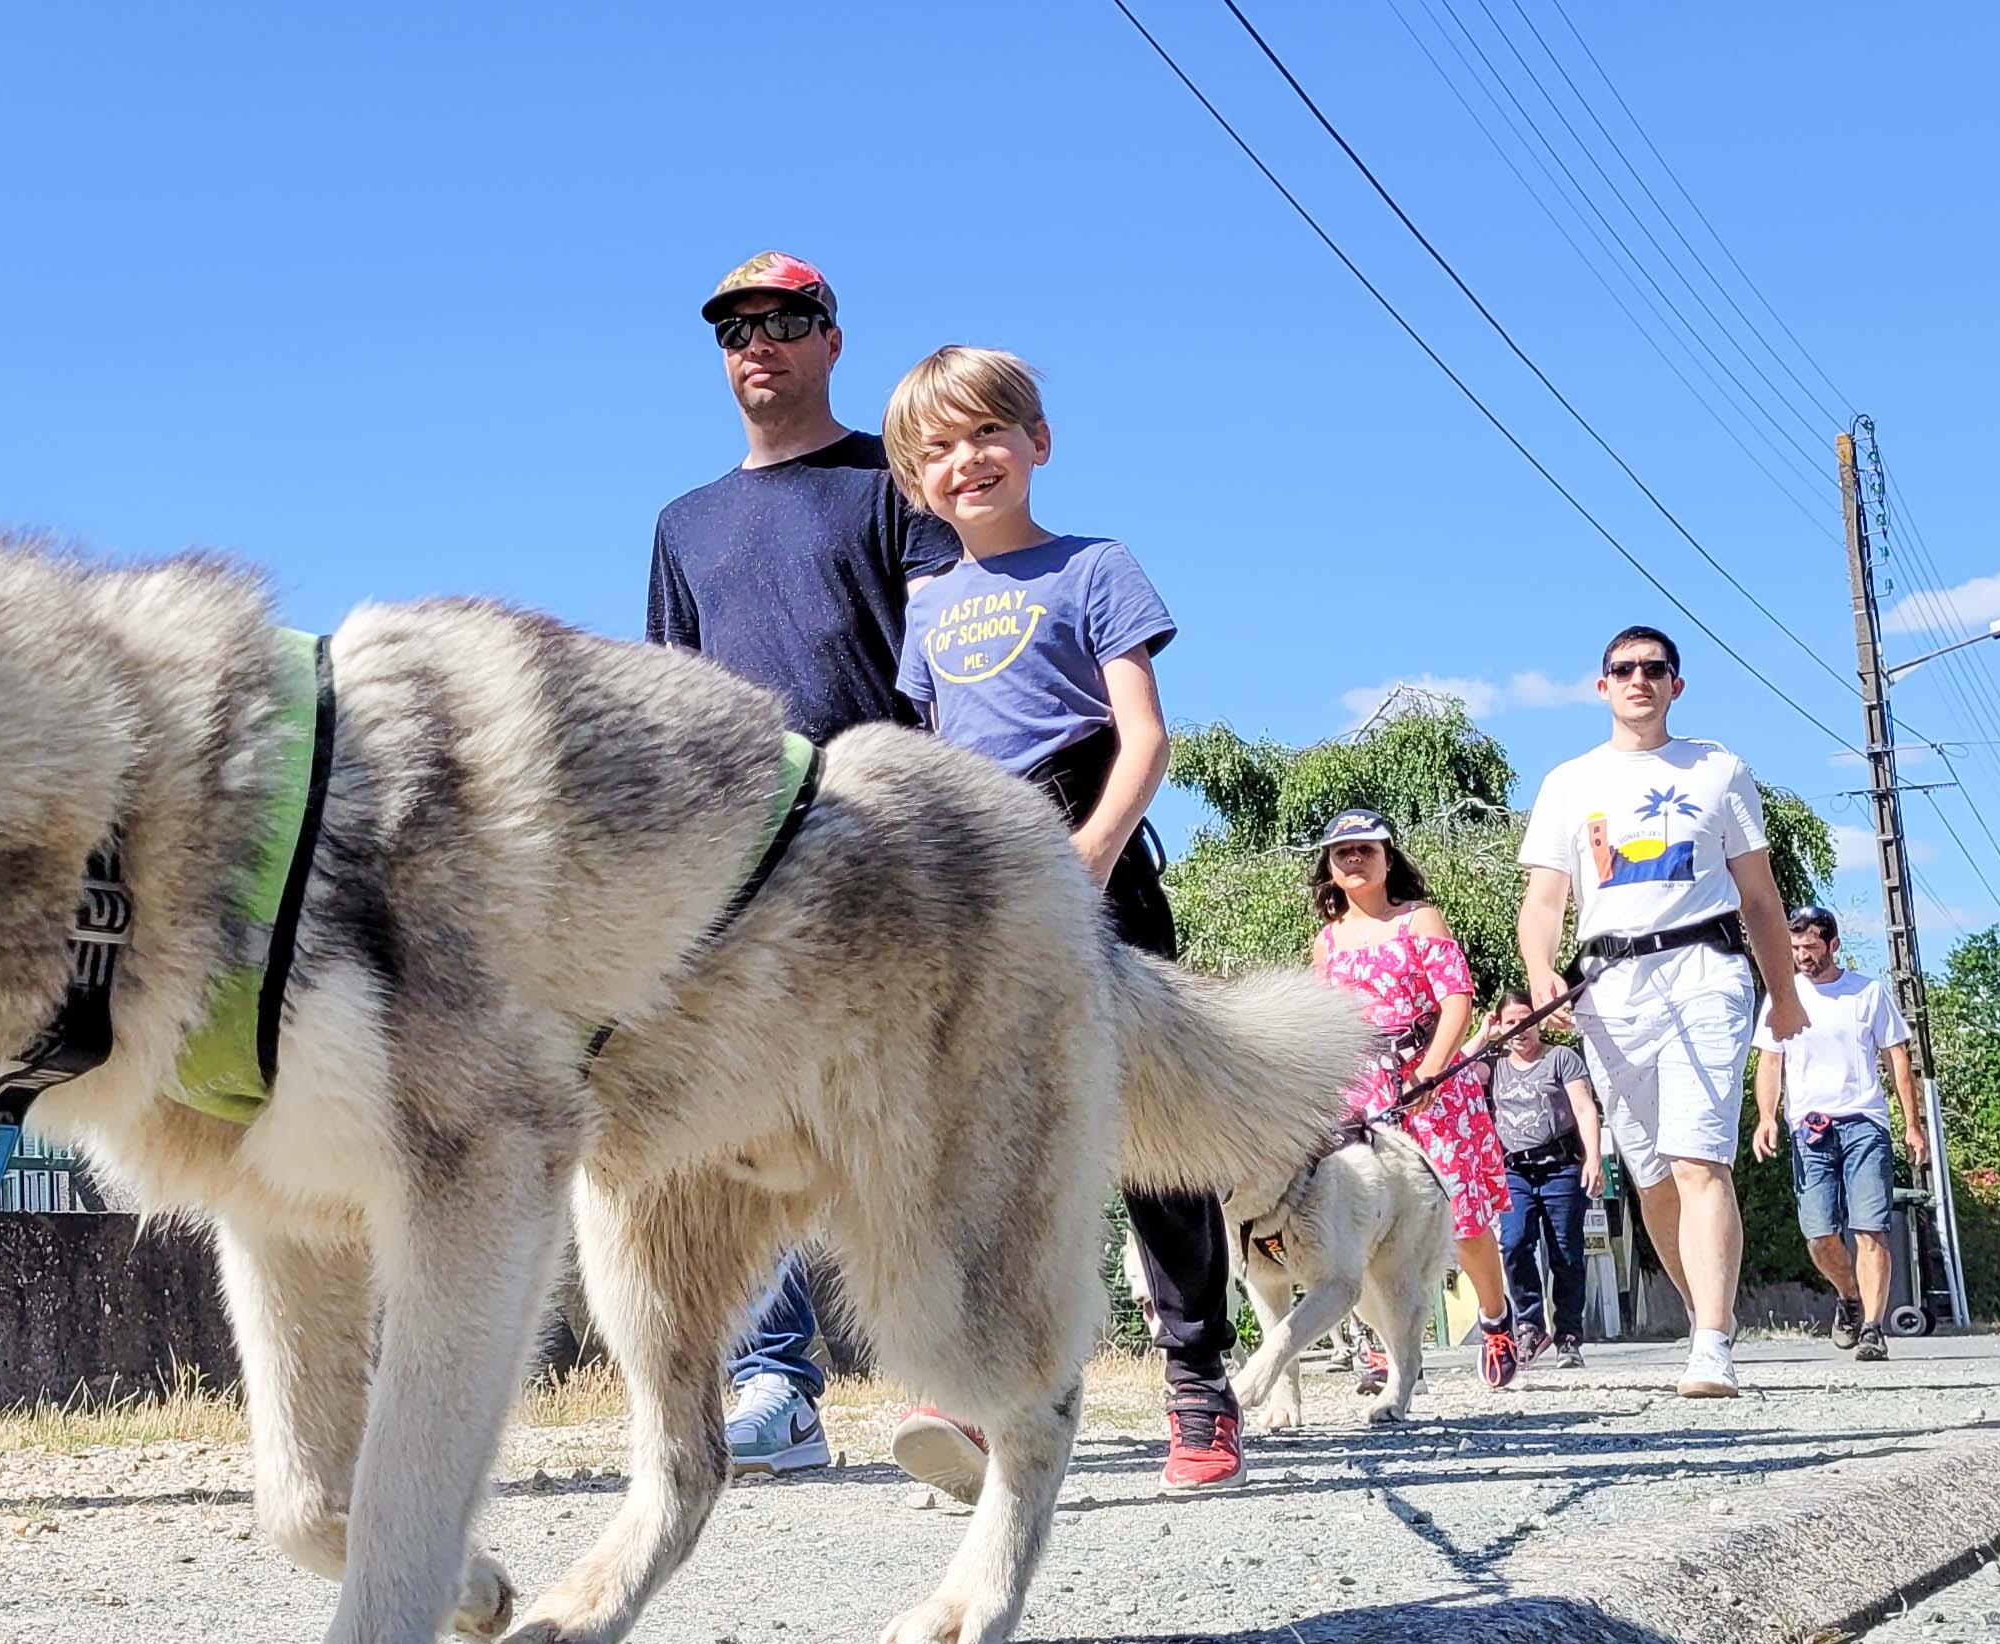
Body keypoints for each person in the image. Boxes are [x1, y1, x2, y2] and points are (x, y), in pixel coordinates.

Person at [868, 345, 1251, 1495]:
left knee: (1153, 1136)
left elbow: (1146, 736)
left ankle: (1196, 1380)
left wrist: (1093, 852)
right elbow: (935, 755)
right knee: (983, 1140)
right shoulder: (926, 603)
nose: (964, 461)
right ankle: (983, 1386)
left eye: (986, 433)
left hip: (1094, 855)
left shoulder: (1096, 568)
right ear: (912, 482)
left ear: (1037, 441)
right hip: (975, 879)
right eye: (935, 450)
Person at [645, 252, 960, 1475]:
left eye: (784, 322)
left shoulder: (892, 489)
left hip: (884, 837)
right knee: (743, 1114)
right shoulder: (684, 525)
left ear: (833, 338)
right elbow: (669, 695)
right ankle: (778, 1386)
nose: (756, 345)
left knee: (906, 1112)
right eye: (734, 329)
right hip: (737, 858)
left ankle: (947, 1377)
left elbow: (951, 661)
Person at [1517, 627, 1810, 1399]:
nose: (1639, 679)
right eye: (1624, 669)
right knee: (1650, 1178)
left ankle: (1711, 1341)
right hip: (1610, 986)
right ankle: (1701, 1311)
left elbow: (1759, 898)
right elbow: (1543, 899)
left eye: (1655, 669)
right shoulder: (1568, 783)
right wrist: (1541, 970)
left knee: (1698, 1159)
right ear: (1601, 685)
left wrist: (1782, 997)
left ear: (1677, 685)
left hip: (1704, 971)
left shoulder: (1718, 769)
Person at [1308, 810, 1522, 1389]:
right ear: (1329, 866)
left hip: (1431, 1080)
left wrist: (1428, 1073)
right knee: (1362, 1220)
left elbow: (1457, 1000)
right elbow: (1321, 1022)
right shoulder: (1326, 945)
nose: (1354, 859)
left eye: (1365, 850)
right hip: (1361, 1093)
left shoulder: (1419, 920)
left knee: (1462, 1216)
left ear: (1387, 858)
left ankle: (1497, 1318)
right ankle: (1390, 1350)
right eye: (1342, 852)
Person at [1752, 905, 1920, 1361]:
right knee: (1819, 1235)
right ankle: (1849, 1297)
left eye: (1810, 947)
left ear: (1832, 945)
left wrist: (1912, 1124)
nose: (1802, 956)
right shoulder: (1781, 997)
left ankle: (1871, 1328)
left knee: (1870, 1230)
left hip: (1864, 1122)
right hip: (1809, 1129)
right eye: (1795, 948)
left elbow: (1896, 1057)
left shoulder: (1867, 993)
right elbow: (1770, 1062)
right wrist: (1766, 1117)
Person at [1484, 988, 1604, 1368]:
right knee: (1515, 1242)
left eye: (1527, 1020)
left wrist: (1594, 1158)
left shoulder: (1560, 1059)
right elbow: (1455, 1069)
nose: (1520, 1030)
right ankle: (1530, 1326)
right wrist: (1483, 1035)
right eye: (1510, 1023)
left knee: (1565, 1250)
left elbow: (1585, 1109)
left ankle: (1568, 1334)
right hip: (1513, 1169)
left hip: (1560, 1166)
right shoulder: (1494, 1065)